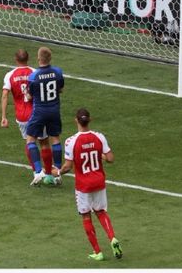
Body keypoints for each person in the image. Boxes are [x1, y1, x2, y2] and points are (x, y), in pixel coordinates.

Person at [58, 108, 122, 262]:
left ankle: (98, 252)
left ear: (76, 120)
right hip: (99, 181)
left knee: (86, 216)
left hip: (83, 185)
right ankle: (112, 238)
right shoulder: (99, 137)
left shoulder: (71, 141)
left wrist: (57, 172)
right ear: (90, 120)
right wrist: (101, 155)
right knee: (101, 212)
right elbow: (111, 158)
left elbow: (67, 166)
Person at [0, 49, 54, 180]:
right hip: (37, 113)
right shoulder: (35, 72)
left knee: (29, 143)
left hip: (22, 116)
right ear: (28, 58)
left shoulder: (10, 75)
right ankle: (48, 173)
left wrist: (3, 117)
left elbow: (5, 95)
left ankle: (37, 172)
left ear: (15, 59)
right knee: (44, 142)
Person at [25, 47, 65, 186]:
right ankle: (58, 171)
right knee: (55, 139)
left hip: (39, 112)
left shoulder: (33, 76)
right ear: (50, 59)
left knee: (30, 140)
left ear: (38, 59)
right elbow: (60, 89)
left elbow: (29, 95)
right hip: (54, 110)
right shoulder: (58, 72)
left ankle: (38, 172)